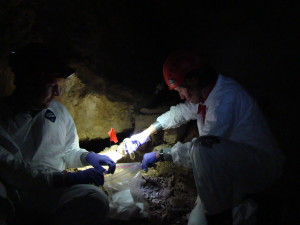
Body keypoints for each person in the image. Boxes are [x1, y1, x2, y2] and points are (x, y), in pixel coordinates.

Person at [124, 50, 285, 225]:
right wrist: (146, 133)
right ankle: (241, 208)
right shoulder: (206, 93)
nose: (181, 95)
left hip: (258, 167)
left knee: (203, 148)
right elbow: (182, 111)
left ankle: (226, 215)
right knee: (197, 222)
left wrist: (161, 155)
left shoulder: (225, 98)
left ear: (193, 81)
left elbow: (203, 150)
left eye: (180, 89)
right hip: (232, 166)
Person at [0, 43, 116, 225]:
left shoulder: (58, 112)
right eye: (51, 85)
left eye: (58, 85)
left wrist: (87, 156)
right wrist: (67, 178)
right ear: (29, 82)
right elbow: (13, 170)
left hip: (50, 191)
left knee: (95, 199)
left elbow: (67, 152)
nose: (57, 92)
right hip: (13, 194)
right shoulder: (4, 117)